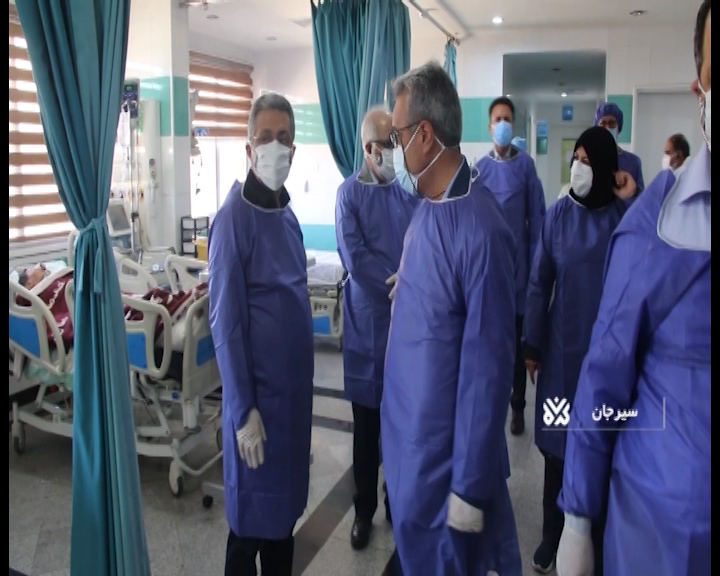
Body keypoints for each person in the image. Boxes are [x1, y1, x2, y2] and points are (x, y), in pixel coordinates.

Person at [556, 3, 710, 575]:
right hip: (665, 533)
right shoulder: (656, 224)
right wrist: (577, 520)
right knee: (559, 432)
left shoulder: (633, 195)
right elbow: (605, 371)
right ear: (700, 88)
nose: (583, 163)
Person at [381, 61, 522, 576]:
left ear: (424, 135)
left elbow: (488, 370)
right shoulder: (428, 204)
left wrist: (468, 484)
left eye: (398, 137)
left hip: (445, 460)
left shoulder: (481, 229)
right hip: (409, 443)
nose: (395, 150)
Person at [208, 92, 314, 576]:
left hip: (291, 408)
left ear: (294, 149)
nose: (275, 147)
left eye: (284, 138)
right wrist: (243, 409)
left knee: (282, 525)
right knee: (249, 528)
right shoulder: (233, 219)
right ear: (248, 148)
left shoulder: (287, 216)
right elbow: (225, 323)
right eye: (265, 137)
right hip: (257, 410)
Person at [522, 126, 637, 574]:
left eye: (589, 161)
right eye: (577, 158)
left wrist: (631, 197)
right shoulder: (557, 216)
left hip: (609, 359)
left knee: (601, 445)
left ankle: (596, 536)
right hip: (562, 353)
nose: (579, 168)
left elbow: (645, 265)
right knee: (558, 448)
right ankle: (551, 535)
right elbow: (539, 282)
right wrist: (532, 343)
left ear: (607, 167)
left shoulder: (623, 218)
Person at [335, 106, 418, 550]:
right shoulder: (348, 195)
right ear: (370, 149)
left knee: (400, 428)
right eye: (390, 144)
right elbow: (355, 256)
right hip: (368, 328)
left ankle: (396, 504)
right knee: (367, 431)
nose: (396, 151)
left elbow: (420, 241)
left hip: (404, 331)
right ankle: (363, 511)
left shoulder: (405, 193)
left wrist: (412, 276)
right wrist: (393, 281)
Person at [475, 96, 546, 436]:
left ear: (512, 125)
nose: (502, 124)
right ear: (489, 126)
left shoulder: (526, 167)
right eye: (497, 119)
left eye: (507, 119)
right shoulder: (479, 170)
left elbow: (538, 219)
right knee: (492, 345)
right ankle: (492, 404)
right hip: (489, 272)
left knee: (518, 346)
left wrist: (534, 269)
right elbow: (474, 221)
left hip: (518, 271)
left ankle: (517, 406)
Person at [594, 101, 646, 194]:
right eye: (603, 123)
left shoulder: (633, 162)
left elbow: (641, 198)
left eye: (612, 123)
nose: (607, 127)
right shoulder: (590, 159)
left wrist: (628, 188)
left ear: (619, 127)